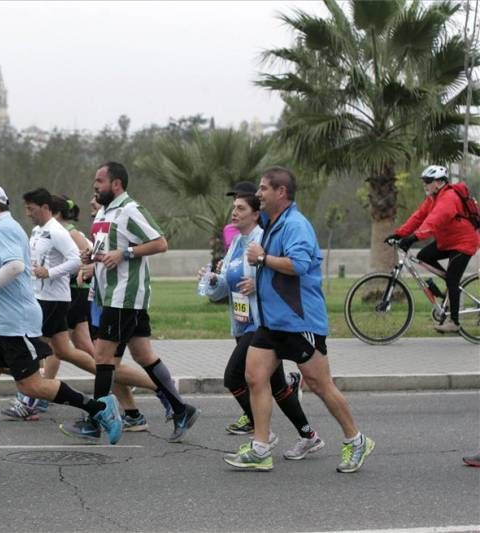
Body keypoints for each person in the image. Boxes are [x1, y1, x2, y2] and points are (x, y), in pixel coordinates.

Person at [0, 183, 122, 470]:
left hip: (15, 323)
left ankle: (98, 407)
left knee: (32, 385)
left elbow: (14, 267)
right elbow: (15, 262)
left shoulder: (4, 229)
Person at [226, 166, 374, 473]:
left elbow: (299, 265)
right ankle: (261, 448)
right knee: (254, 377)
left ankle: (356, 439)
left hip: (299, 322)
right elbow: (246, 225)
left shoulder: (296, 225)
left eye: (264, 189)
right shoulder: (271, 221)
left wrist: (263, 259)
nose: (259, 194)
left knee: (320, 385)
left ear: (281, 192)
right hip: (270, 323)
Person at [61, 162, 199, 443]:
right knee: (143, 355)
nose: (95, 185)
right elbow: (105, 249)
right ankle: (182, 409)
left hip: (123, 296)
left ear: (116, 184)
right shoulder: (103, 212)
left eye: (100, 181)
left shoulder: (130, 210)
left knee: (103, 358)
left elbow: (160, 243)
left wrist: (125, 254)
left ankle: (95, 421)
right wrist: (91, 259)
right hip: (107, 293)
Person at [6, 190, 158, 433]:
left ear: (47, 208)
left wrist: (58, 272)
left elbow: (78, 259)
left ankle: (34, 396)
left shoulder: (65, 231)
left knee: (40, 349)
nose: (26, 213)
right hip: (57, 297)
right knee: (76, 353)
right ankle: (145, 394)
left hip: (67, 298)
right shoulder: (38, 231)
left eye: (30, 208)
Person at [201, 182, 323, 461]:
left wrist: (257, 284)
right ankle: (309, 436)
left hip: (261, 324)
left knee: (234, 377)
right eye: (233, 208)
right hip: (242, 323)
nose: (234, 213)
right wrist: (212, 280)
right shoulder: (235, 244)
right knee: (278, 386)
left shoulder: (262, 239)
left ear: (256, 214)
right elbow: (226, 288)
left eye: (240, 208)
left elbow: (279, 273)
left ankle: (262, 436)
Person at [386, 165, 480, 333]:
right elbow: (418, 217)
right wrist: (399, 234)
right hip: (448, 242)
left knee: (452, 279)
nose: (425, 185)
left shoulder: (449, 198)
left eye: (428, 181)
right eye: (424, 181)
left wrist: (413, 238)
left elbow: (433, 223)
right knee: (424, 255)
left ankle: (454, 322)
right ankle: (450, 281)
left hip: (463, 243)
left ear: (439, 182)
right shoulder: (432, 199)